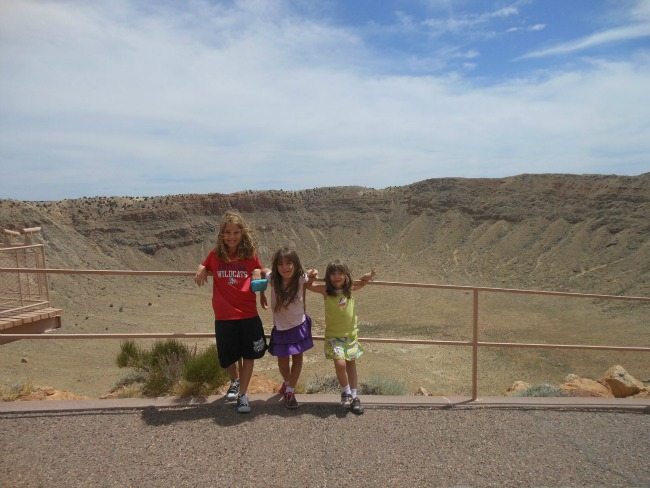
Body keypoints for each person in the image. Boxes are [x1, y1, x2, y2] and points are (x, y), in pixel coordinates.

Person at [194, 211, 268, 414]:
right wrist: (201, 267)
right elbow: (204, 264)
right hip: (224, 315)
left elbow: (261, 272)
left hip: (248, 313)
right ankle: (235, 381)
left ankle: (243, 395)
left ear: (242, 233)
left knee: (249, 355)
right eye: (227, 232)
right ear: (221, 234)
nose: (232, 236)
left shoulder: (250, 255)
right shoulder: (215, 255)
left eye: (236, 232)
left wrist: (260, 275)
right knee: (229, 357)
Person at [308, 261, 375, 415]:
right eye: (333, 273)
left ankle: (355, 397)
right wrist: (312, 276)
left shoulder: (349, 289)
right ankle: (346, 392)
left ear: (346, 275)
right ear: (328, 276)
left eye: (340, 273)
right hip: (334, 336)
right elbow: (308, 286)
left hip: (350, 335)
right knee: (340, 364)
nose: (336, 277)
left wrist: (368, 276)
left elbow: (361, 283)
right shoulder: (326, 290)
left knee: (351, 365)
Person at [265, 247, 317, 409]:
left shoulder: (300, 278)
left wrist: (314, 271)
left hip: (298, 325)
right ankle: (288, 382)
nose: (285, 267)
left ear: (295, 264)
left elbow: (311, 275)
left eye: (289, 263)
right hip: (281, 328)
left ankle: (290, 391)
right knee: (282, 361)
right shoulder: (273, 278)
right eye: (280, 264)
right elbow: (263, 271)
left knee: (297, 359)